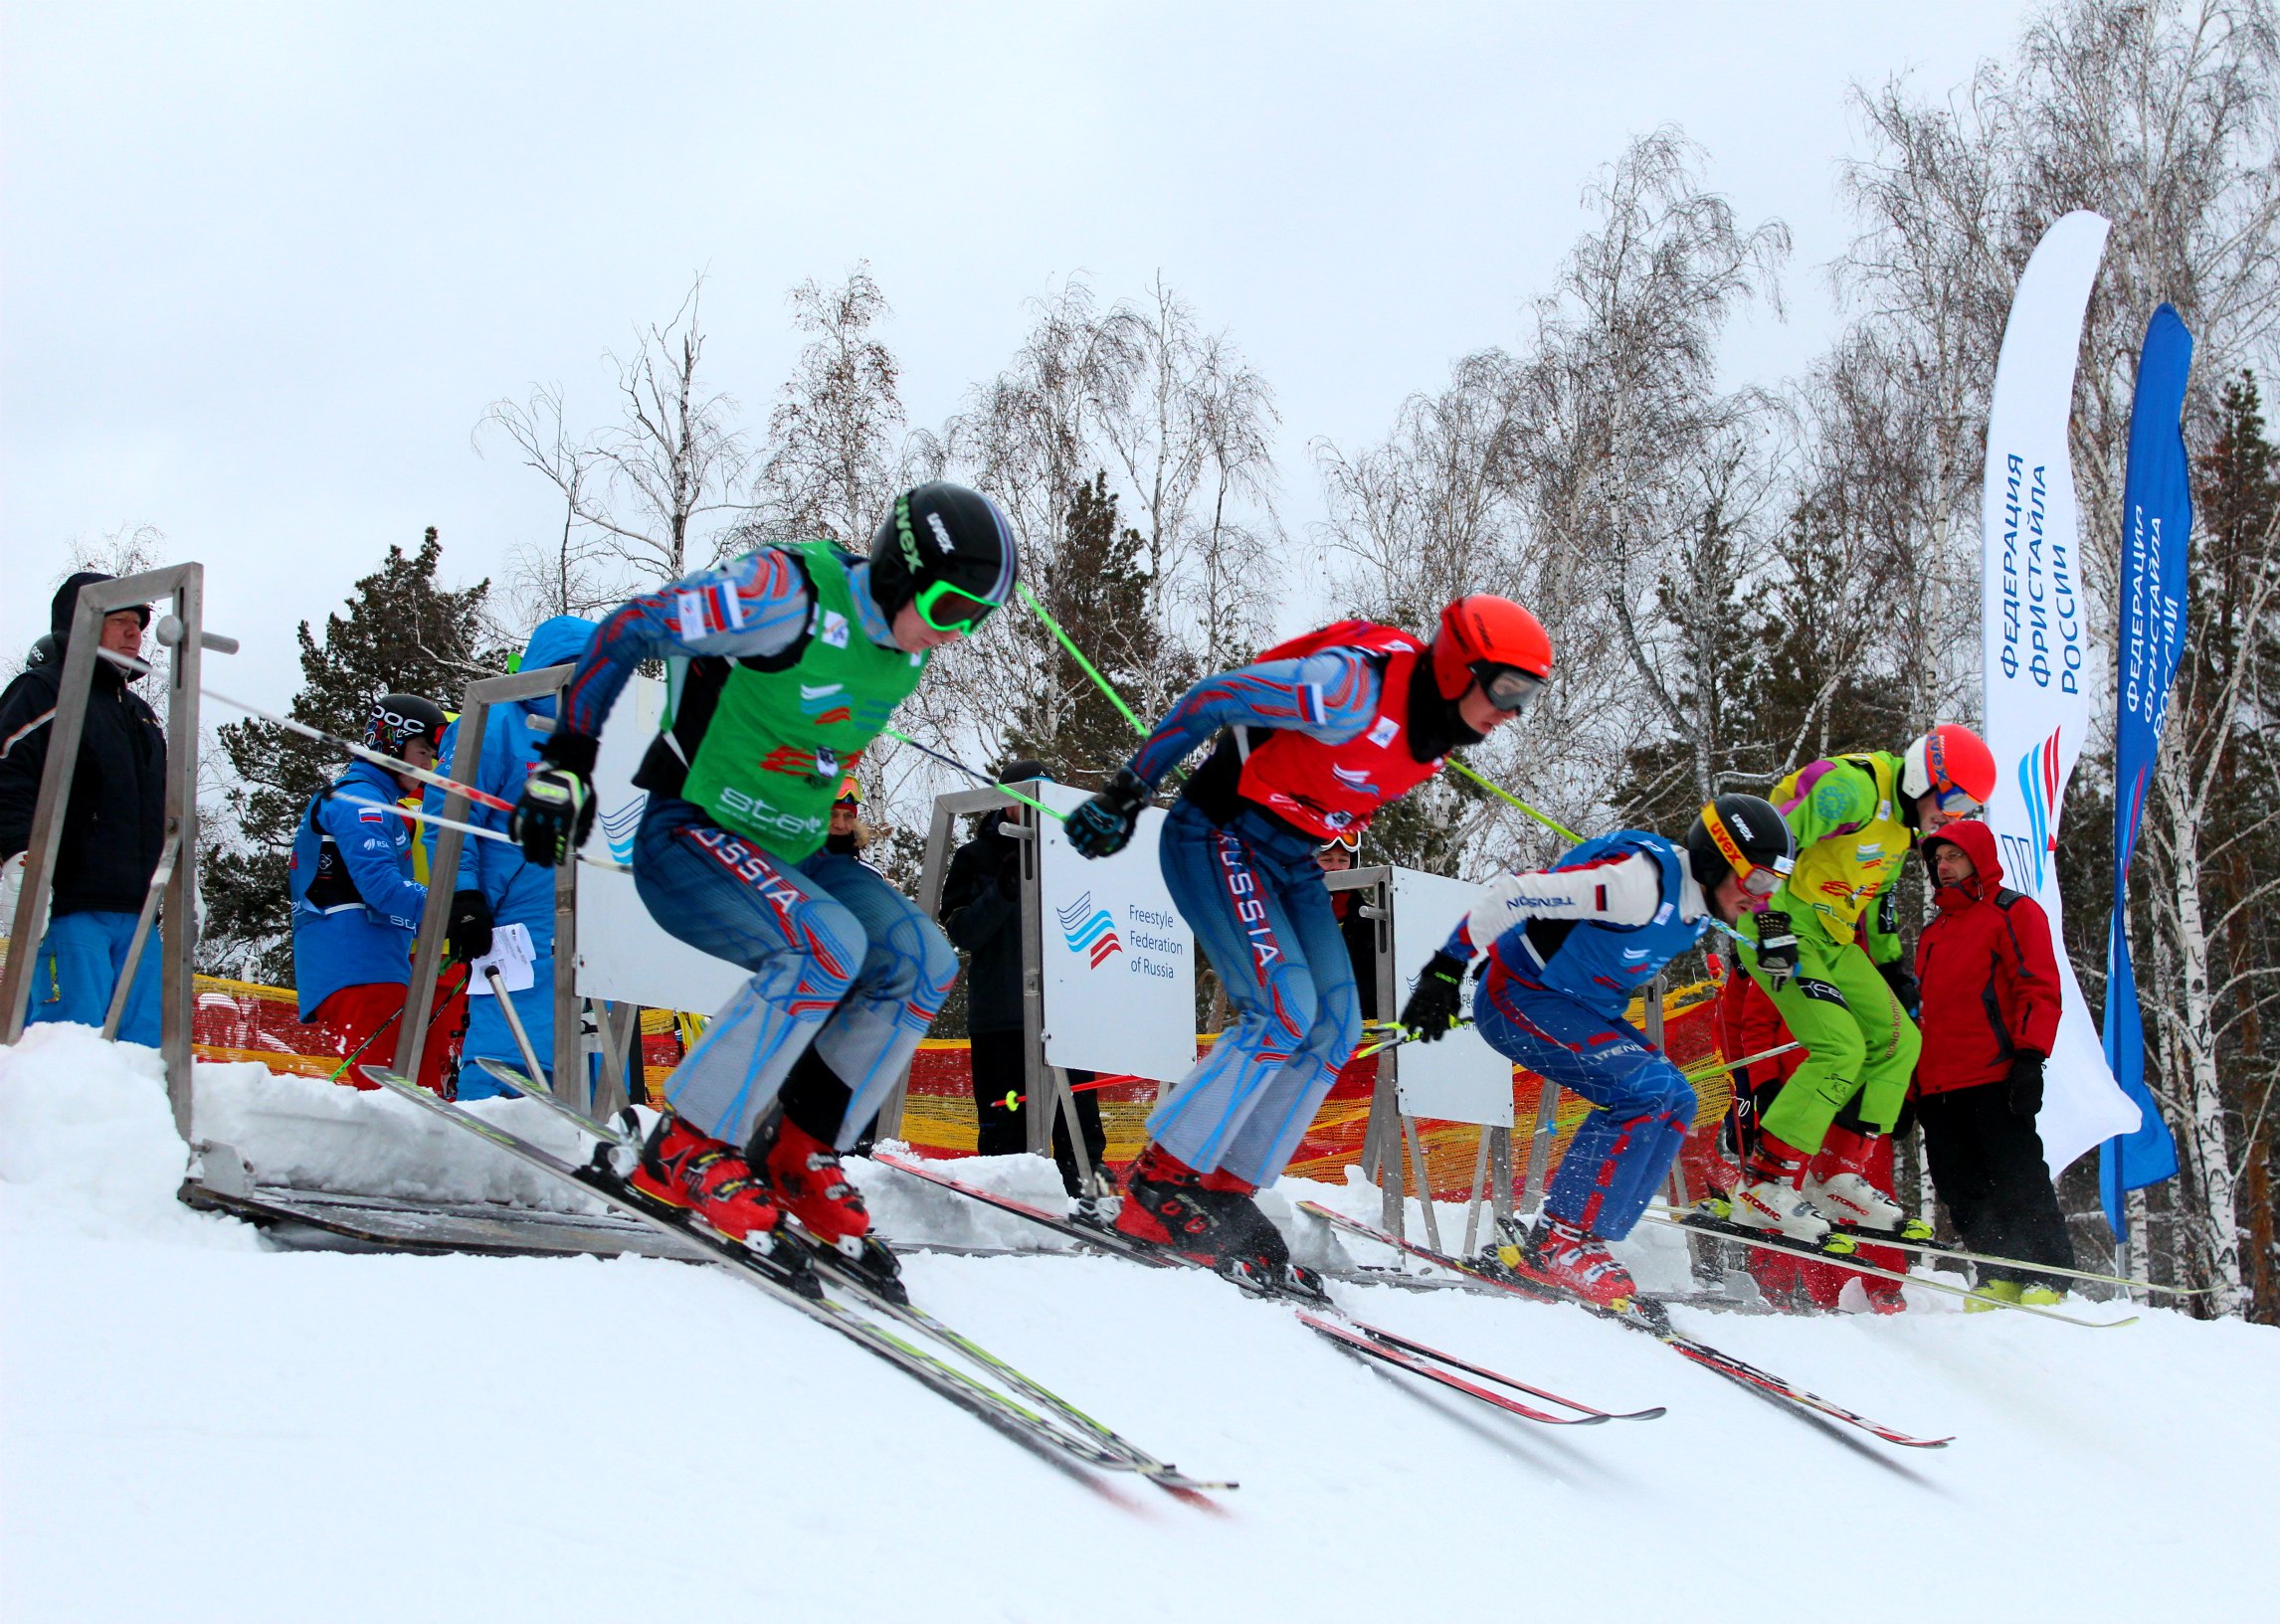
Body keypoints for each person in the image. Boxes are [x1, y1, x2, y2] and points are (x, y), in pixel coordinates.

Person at [507, 482, 1014, 1271]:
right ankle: (686, 1144)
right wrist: (567, 760)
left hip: (793, 851)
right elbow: (633, 625)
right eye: (952, 609)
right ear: (898, 569)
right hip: (692, 836)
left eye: (979, 621)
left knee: (922, 958)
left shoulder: (905, 647)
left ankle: (801, 1153)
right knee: (826, 942)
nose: (957, 634)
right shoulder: (785, 597)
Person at [1066, 594, 1553, 1291]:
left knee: (1333, 1027)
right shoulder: (1347, 688)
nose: (1512, 710)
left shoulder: (1435, 736)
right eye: (1507, 688)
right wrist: (1126, 791)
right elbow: (1211, 698)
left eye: (1527, 696)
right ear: (1457, 667)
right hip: (1218, 833)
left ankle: (1221, 1187)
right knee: (1282, 1010)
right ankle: (1158, 1184)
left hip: (1287, 858)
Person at [1398, 795, 1797, 1313]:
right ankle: (1561, 1240)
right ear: (1717, 860)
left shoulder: (1703, 898)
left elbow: (1744, 912)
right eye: (1759, 883)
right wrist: (1445, 969)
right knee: (1645, 1092)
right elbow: (1514, 893)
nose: (1763, 898)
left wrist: (1772, 929)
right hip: (1520, 997)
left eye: (1774, 886)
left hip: (1577, 1005)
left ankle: (1572, 1240)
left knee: (1676, 1098)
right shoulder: (1635, 886)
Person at [1719, 723, 1995, 1243]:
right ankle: (1764, 1182)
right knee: (1839, 1047)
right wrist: (1766, 919)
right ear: (1926, 773)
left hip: (1832, 938)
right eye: (1954, 798)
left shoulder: (1905, 827)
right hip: (1777, 926)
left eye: (1968, 809)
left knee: (1898, 1040)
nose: (1953, 815)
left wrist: (1893, 969)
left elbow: (1880, 897)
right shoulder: (1853, 787)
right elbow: (1769, 836)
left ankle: (1836, 1174)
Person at [1912, 815, 2076, 1309]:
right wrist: (1908, 1089)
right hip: (1938, 1084)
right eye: (1937, 859)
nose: (1944, 867)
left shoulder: (2014, 911)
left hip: (1995, 1074)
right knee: (1958, 1185)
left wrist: (2029, 1057)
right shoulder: (1932, 932)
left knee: (2017, 1175)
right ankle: (1997, 1270)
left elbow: (2039, 988)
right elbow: (1921, 1018)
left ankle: (2047, 1272)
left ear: (1978, 858)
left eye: (1954, 856)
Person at [429, 615, 595, 1100]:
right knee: (511, 1039)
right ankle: (491, 1129)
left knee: (590, 1042)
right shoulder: (497, 720)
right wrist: (462, 895)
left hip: (593, 913)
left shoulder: (606, 734)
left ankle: (591, 1136)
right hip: (515, 914)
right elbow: (451, 815)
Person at [0, 575, 169, 1045]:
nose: (135, 633)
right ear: (83, 623)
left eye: (138, 623)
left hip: (138, 914)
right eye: (121, 622)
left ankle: (140, 1122)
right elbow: (7, 777)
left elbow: (160, 807)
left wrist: (180, 876)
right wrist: (17, 856)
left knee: (145, 1055)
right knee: (69, 1046)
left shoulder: (141, 715)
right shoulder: (42, 691)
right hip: (69, 907)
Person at [938, 758, 1108, 1191]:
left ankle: (1089, 1196)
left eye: (1045, 794)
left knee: (1079, 1124)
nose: (1035, 805)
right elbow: (962, 932)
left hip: (1067, 1017)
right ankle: (1007, 1203)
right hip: (1003, 1016)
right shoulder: (975, 857)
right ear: (1005, 802)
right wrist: (1003, 891)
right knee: (1005, 1123)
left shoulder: (1073, 854)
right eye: (1026, 796)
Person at [290, 693, 468, 1091]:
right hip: (358, 966)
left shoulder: (378, 801)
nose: (428, 766)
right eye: (422, 752)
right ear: (391, 744)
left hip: (377, 963)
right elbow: (382, 886)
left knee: (416, 1090)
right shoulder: (359, 800)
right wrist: (456, 912)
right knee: (397, 1100)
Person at [1715, 963, 1905, 1312]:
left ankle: (1884, 1286)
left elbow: (1887, 1030)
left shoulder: (1845, 951)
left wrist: (1897, 1096)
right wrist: (1753, 1094)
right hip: (1794, 1097)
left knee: (1862, 1187)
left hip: (1850, 1097)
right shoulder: (1765, 953)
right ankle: (1786, 1289)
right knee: (1784, 1197)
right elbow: (1739, 1031)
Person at [1311, 833, 1379, 1023]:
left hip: (1362, 1030)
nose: (1335, 867)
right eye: (1326, 860)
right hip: (1309, 1029)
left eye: (1343, 860)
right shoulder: (1293, 919)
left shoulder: (1373, 920)